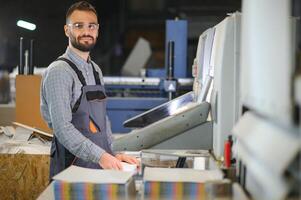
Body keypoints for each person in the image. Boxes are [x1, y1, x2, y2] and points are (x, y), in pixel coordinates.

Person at [41, 1, 139, 179]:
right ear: (66, 30)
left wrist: (113, 152)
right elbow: (62, 128)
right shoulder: (59, 72)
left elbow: (102, 120)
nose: (86, 32)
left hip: (99, 169)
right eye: (78, 26)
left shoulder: (95, 70)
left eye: (91, 26)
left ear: (98, 30)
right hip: (72, 171)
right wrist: (101, 156)